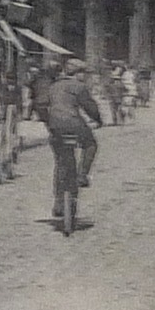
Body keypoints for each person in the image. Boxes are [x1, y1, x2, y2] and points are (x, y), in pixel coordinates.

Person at [46, 59, 101, 217]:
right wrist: (98, 120)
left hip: (55, 126)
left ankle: (58, 202)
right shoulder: (79, 86)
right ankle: (82, 175)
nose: (84, 76)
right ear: (78, 73)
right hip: (73, 124)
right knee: (91, 144)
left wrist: (50, 122)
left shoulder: (54, 86)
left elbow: (45, 105)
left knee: (61, 162)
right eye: (83, 73)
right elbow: (90, 106)